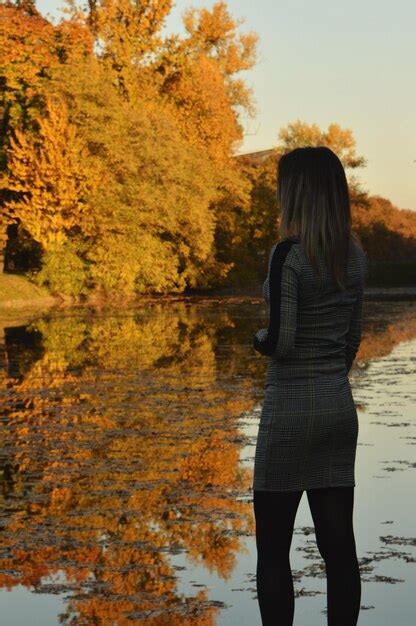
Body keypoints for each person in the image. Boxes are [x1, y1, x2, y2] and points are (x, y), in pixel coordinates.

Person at [252, 146, 368, 626]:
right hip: (339, 409)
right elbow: (352, 342)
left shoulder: (288, 256)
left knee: (274, 551)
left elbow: (281, 341)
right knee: (340, 545)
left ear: (297, 194)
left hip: (290, 414)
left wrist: (256, 339)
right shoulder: (355, 257)